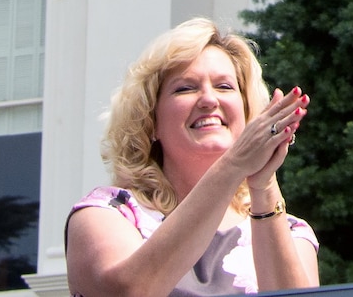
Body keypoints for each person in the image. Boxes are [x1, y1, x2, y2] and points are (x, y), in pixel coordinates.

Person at [66, 20, 317, 297]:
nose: (209, 100)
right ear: (151, 123)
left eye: (224, 86)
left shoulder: (291, 231)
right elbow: (127, 292)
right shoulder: (108, 213)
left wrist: (264, 181)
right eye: (185, 88)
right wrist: (234, 165)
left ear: (248, 115)